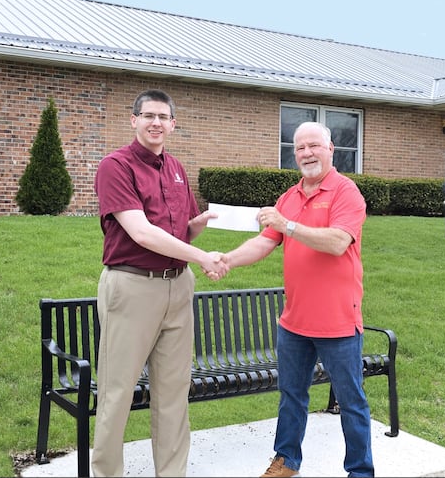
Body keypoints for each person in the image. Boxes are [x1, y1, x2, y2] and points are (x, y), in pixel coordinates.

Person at [221, 121, 373, 477]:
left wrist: (288, 225)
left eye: (314, 146)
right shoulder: (288, 198)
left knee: (351, 402)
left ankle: (360, 471)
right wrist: (228, 258)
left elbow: (337, 242)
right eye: (300, 147)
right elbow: (264, 242)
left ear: (331, 149)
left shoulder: (345, 193)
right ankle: (286, 461)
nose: (307, 153)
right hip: (294, 322)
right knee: (292, 396)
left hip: (337, 321)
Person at [91, 88, 229, 477]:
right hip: (132, 287)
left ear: (172, 123)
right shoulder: (115, 166)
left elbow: (178, 233)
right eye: (147, 115)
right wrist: (202, 257)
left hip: (178, 287)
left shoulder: (177, 169)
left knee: (173, 395)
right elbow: (141, 233)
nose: (156, 123)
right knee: (117, 394)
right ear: (133, 120)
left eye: (163, 117)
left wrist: (195, 229)